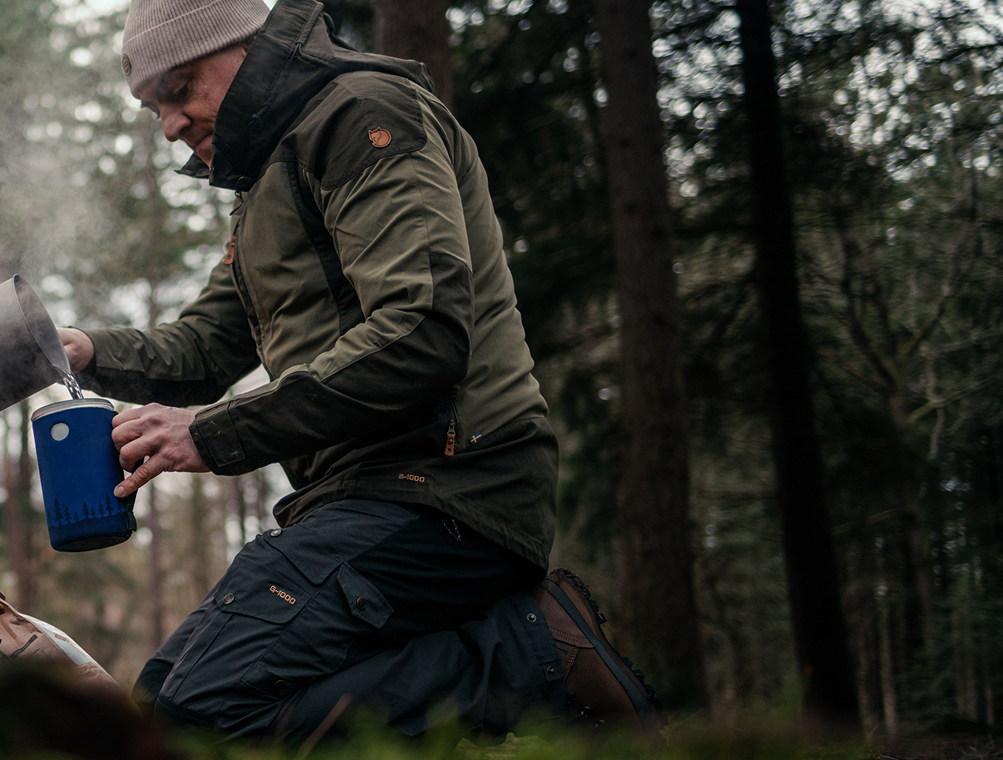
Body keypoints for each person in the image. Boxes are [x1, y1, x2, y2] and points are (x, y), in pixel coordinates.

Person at [55, 0, 660, 738]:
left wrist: (210, 435)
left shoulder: (363, 115)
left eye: (179, 90)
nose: (172, 126)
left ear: (246, 46)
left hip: (450, 482)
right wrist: (79, 348)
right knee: (165, 706)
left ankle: (532, 657)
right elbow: (206, 347)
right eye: (153, 110)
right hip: (359, 496)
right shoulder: (266, 177)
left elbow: (421, 334)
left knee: (197, 716)